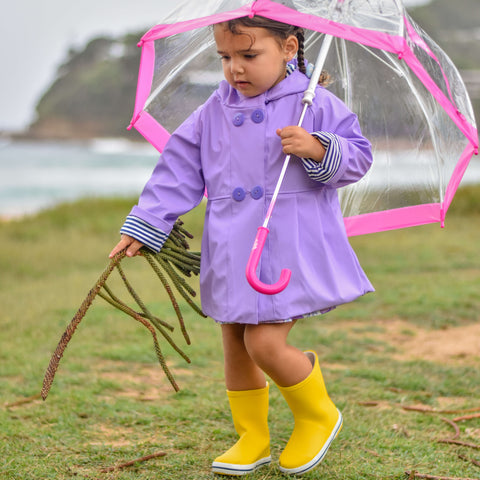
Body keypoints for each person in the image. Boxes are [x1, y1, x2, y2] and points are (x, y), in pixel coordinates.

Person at [109, 14, 374, 477]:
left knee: (265, 342)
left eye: (249, 55)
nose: (235, 68)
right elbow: (178, 168)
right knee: (235, 339)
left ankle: (317, 413)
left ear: (289, 48)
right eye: (226, 57)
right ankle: (252, 436)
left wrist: (317, 148)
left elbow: (358, 157)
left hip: (288, 242)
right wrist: (149, 221)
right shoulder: (213, 109)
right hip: (232, 242)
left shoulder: (315, 104)